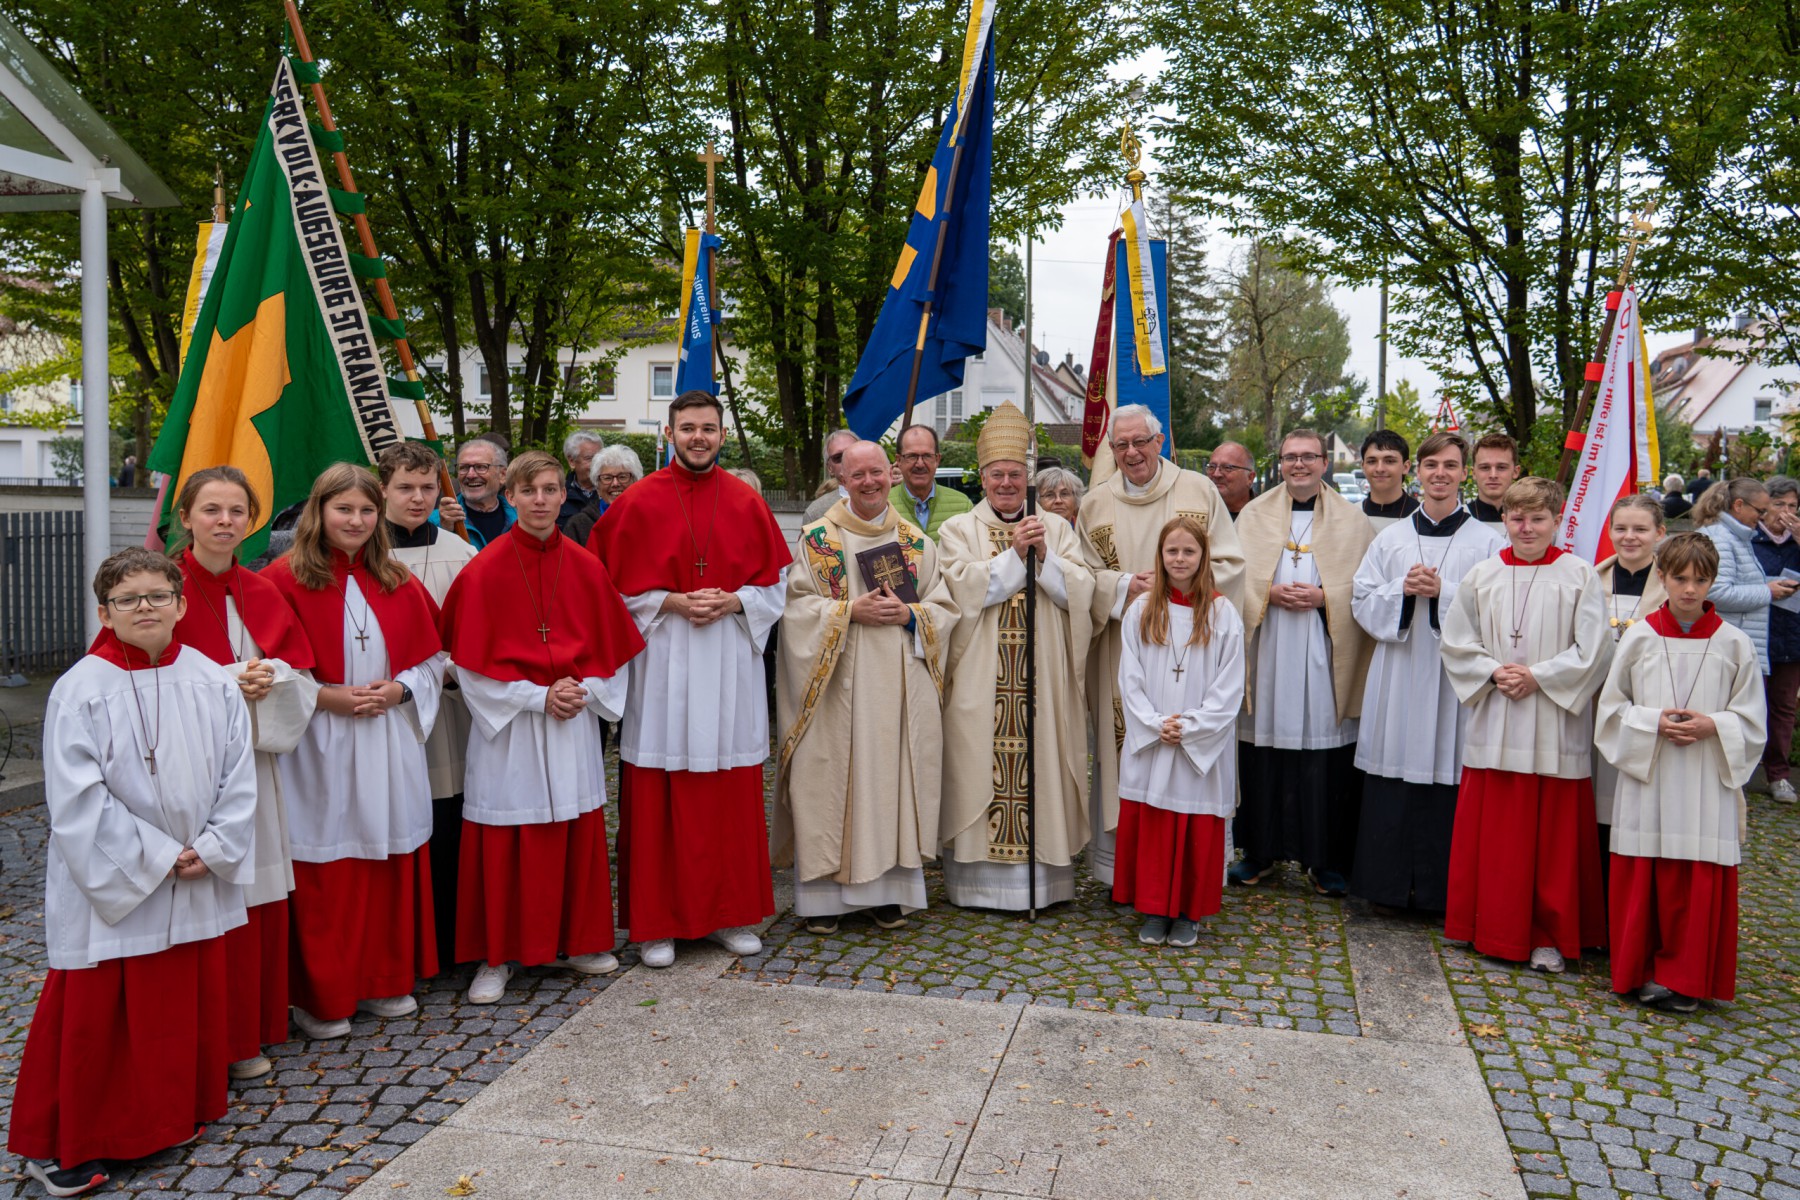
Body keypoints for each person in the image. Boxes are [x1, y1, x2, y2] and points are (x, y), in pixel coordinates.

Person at [11, 548, 258, 1196]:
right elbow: (77, 798)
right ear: (105, 613)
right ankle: (62, 1145)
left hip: (196, 867)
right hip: (120, 878)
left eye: (157, 596)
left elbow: (240, 774)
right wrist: (158, 856)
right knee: (98, 1013)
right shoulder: (80, 688)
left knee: (174, 1006)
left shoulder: (210, 679)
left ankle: (165, 1118)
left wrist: (215, 845)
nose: (144, 607)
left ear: (180, 605)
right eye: (128, 599)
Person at [589, 390, 790, 967]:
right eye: (688, 428)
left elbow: (776, 587)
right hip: (664, 664)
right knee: (658, 790)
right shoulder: (636, 502)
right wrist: (667, 600)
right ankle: (657, 924)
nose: (698, 437)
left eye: (708, 428)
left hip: (728, 662)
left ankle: (729, 914)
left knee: (731, 790)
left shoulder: (747, 502)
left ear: (721, 435)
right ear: (670, 433)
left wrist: (736, 600)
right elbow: (604, 591)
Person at [439, 451, 644, 1002]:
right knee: (506, 837)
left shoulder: (586, 566)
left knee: (574, 828)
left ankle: (577, 941)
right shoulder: (483, 570)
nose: (540, 500)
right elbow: (467, 667)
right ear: (511, 496)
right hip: (511, 731)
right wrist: (536, 697)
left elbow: (615, 654)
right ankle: (498, 955)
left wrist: (584, 691)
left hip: (570, 722)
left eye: (551, 489)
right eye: (529, 491)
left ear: (562, 495)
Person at [266, 464, 445, 1037]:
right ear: (318, 511)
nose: (356, 520)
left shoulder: (396, 578)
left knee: (386, 855)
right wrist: (326, 697)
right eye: (344, 509)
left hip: (385, 737)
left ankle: (382, 980)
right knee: (326, 868)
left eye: (367, 510)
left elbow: (433, 659)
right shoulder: (280, 581)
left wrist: (400, 690)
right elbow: (267, 671)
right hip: (317, 742)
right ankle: (324, 995)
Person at [171, 467, 319, 1083]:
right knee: (205, 897)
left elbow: (302, 676)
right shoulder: (159, 590)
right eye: (212, 509)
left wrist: (272, 678)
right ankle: (203, 1037)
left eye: (237, 510)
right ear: (186, 517)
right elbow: (143, 681)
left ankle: (249, 1027)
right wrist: (229, 681)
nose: (225, 521)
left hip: (254, 767)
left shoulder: (260, 589)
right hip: (188, 774)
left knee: (254, 893)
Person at [774, 441, 956, 932]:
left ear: (891, 474)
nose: (869, 482)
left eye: (877, 472)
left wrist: (911, 614)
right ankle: (824, 902)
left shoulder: (916, 543)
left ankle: (889, 893)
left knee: (891, 781)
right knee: (828, 780)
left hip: (897, 690)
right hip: (833, 689)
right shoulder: (817, 542)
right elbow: (794, 609)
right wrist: (847, 611)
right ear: (842, 479)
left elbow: (944, 609)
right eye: (858, 475)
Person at [1441, 477, 1610, 973]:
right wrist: (1495, 672)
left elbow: (1595, 650)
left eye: (1538, 519)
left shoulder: (1579, 575)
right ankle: (1485, 924)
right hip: (1496, 718)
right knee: (1496, 837)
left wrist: (1538, 677)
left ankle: (1548, 937)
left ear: (1557, 521)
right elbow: (1457, 640)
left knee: (1552, 842)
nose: (1527, 527)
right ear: (1505, 520)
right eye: (1517, 518)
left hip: (1553, 723)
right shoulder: (1483, 574)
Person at [1076, 404, 1244, 886]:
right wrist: (1124, 586)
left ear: (1159, 442)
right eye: (1121, 445)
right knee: (1128, 749)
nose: (1132, 453)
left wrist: (1179, 595)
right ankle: (1127, 872)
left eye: (1140, 442)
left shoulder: (1198, 490)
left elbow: (1231, 563)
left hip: (1198, 645)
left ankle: (1191, 875)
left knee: (1190, 746)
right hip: (1124, 647)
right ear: (1111, 451)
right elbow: (1081, 576)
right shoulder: (1095, 503)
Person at [937, 401, 1096, 908]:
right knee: (973, 764)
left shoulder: (1058, 529)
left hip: (1042, 679)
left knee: (1043, 764)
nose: (1006, 483)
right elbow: (958, 591)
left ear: (1027, 477)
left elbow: (1082, 592)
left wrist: (1044, 556)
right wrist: (1013, 556)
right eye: (997, 475)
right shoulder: (958, 530)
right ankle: (976, 885)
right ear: (982, 477)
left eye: (1015, 474)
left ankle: (1043, 885)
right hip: (980, 678)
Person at [1596, 532, 1764, 1012]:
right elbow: (1611, 710)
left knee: (1695, 877)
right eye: (1681, 579)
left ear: (1712, 582)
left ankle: (1686, 980)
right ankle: (1639, 970)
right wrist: (1652, 721)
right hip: (1650, 775)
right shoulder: (1639, 637)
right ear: (1663, 577)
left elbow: (1752, 720)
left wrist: (1716, 725)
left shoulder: (1734, 644)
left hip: (1705, 779)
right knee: (1645, 871)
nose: (1690, 590)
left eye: (1701, 580)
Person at [1349, 433, 1504, 916]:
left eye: (1451, 465)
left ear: (1464, 474)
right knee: (1393, 769)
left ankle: (1441, 894)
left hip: (1452, 681)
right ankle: (1387, 888)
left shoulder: (1489, 542)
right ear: (1417, 471)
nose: (1440, 474)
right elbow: (1361, 600)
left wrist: (1445, 592)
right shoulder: (1391, 539)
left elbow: (1499, 611)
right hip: (1398, 673)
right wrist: (1401, 588)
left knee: (1447, 772)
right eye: (1431, 464)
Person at [1229, 428, 1374, 896]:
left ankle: (1324, 860)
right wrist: (1266, 593)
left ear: (1324, 463)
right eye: (1290, 457)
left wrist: (1324, 597)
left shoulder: (1352, 520)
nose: (1299, 465)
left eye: (1309, 457)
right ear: (1280, 463)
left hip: (1322, 652)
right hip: (1268, 646)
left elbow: (1367, 588)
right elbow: (1232, 577)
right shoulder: (1253, 515)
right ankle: (1258, 853)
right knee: (1261, 752)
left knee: (1323, 758)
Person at [1113, 516, 1246, 946]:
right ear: (1160, 555)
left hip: (1199, 743)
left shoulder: (1223, 614)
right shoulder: (1141, 609)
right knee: (1154, 822)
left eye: (1189, 551)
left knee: (1195, 823)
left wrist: (1190, 727)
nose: (1180, 559)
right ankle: (1154, 909)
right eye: (1172, 551)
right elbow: (1129, 677)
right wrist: (1155, 724)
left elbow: (1230, 687)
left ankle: (1189, 913)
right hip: (1153, 737)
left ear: (1204, 557)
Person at [378, 442, 481, 968]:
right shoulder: (367, 557)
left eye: (426, 487)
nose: (417, 499)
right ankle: (403, 947)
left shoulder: (462, 553)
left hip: (452, 711)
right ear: (382, 490)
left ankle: (451, 942)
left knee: (450, 825)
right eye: (405, 488)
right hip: (388, 714)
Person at [1593, 493, 1669, 879]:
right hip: (1594, 709)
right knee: (1596, 809)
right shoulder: (1589, 581)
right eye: (1621, 528)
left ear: (1660, 533)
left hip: (1646, 712)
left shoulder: (1674, 587)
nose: (1629, 537)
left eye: (1640, 529)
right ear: (1609, 532)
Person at [1694, 477, 1795, 680]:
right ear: (1739, 505)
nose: (1762, 517)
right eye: (1760, 511)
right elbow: (1715, 592)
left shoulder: (1736, 536)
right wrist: (1768, 591)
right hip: (1728, 650)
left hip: (1735, 646)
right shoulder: (1720, 538)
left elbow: (1739, 581)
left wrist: (1771, 584)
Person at [1752, 476, 1800, 803]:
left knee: (1783, 707)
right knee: (1749, 704)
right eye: (1779, 504)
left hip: (1792, 636)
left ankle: (1778, 775)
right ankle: (1739, 771)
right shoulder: (1750, 539)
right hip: (1755, 635)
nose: (1786, 512)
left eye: (1793, 506)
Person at [889, 423, 973, 537]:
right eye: (912, 456)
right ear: (899, 460)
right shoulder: (884, 506)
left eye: (927, 456)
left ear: (937, 460)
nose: (920, 464)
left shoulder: (962, 506)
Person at [437, 438, 516, 548]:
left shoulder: (523, 520)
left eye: (481, 467)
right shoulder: (434, 521)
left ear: (502, 475)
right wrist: (444, 531)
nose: (470, 475)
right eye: (464, 467)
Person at [565, 444, 646, 547]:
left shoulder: (647, 520)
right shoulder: (578, 525)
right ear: (597, 485)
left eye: (622, 477)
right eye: (607, 478)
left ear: (635, 481)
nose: (615, 484)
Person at [1358, 430, 1420, 531]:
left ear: (1405, 467)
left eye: (1389, 461)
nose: (1380, 469)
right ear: (1363, 467)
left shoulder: (1421, 518)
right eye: (1372, 461)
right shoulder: (1351, 515)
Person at [803, 429, 861, 522]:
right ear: (830, 468)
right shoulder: (816, 512)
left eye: (853, 453)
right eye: (838, 457)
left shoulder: (885, 499)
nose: (847, 460)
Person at [1468, 433, 1521, 529]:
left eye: (1501, 467)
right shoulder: (1457, 520)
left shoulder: (1532, 521)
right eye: (1485, 467)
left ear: (1515, 472)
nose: (1493, 475)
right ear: (1474, 473)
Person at [558, 431, 604, 529]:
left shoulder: (610, 492)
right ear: (572, 461)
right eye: (589, 458)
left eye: (599, 458)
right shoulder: (558, 494)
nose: (597, 464)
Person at [1204, 442, 1257, 519]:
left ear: (1250, 478)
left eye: (1227, 468)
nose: (1216, 474)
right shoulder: (1197, 512)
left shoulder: (1266, 516)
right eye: (1212, 467)